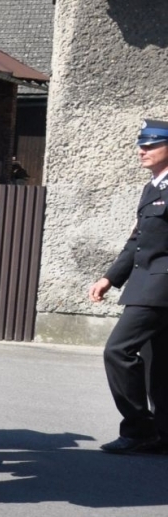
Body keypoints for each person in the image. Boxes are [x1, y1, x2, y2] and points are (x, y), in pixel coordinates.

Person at [91, 118, 168, 454]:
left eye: (151, 145)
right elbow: (137, 240)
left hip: (159, 288)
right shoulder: (153, 187)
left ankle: (138, 429)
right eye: (141, 145)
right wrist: (110, 278)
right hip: (147, 284)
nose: (142, 150)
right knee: (157, 364)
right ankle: (161, 435)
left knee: (118, 351)